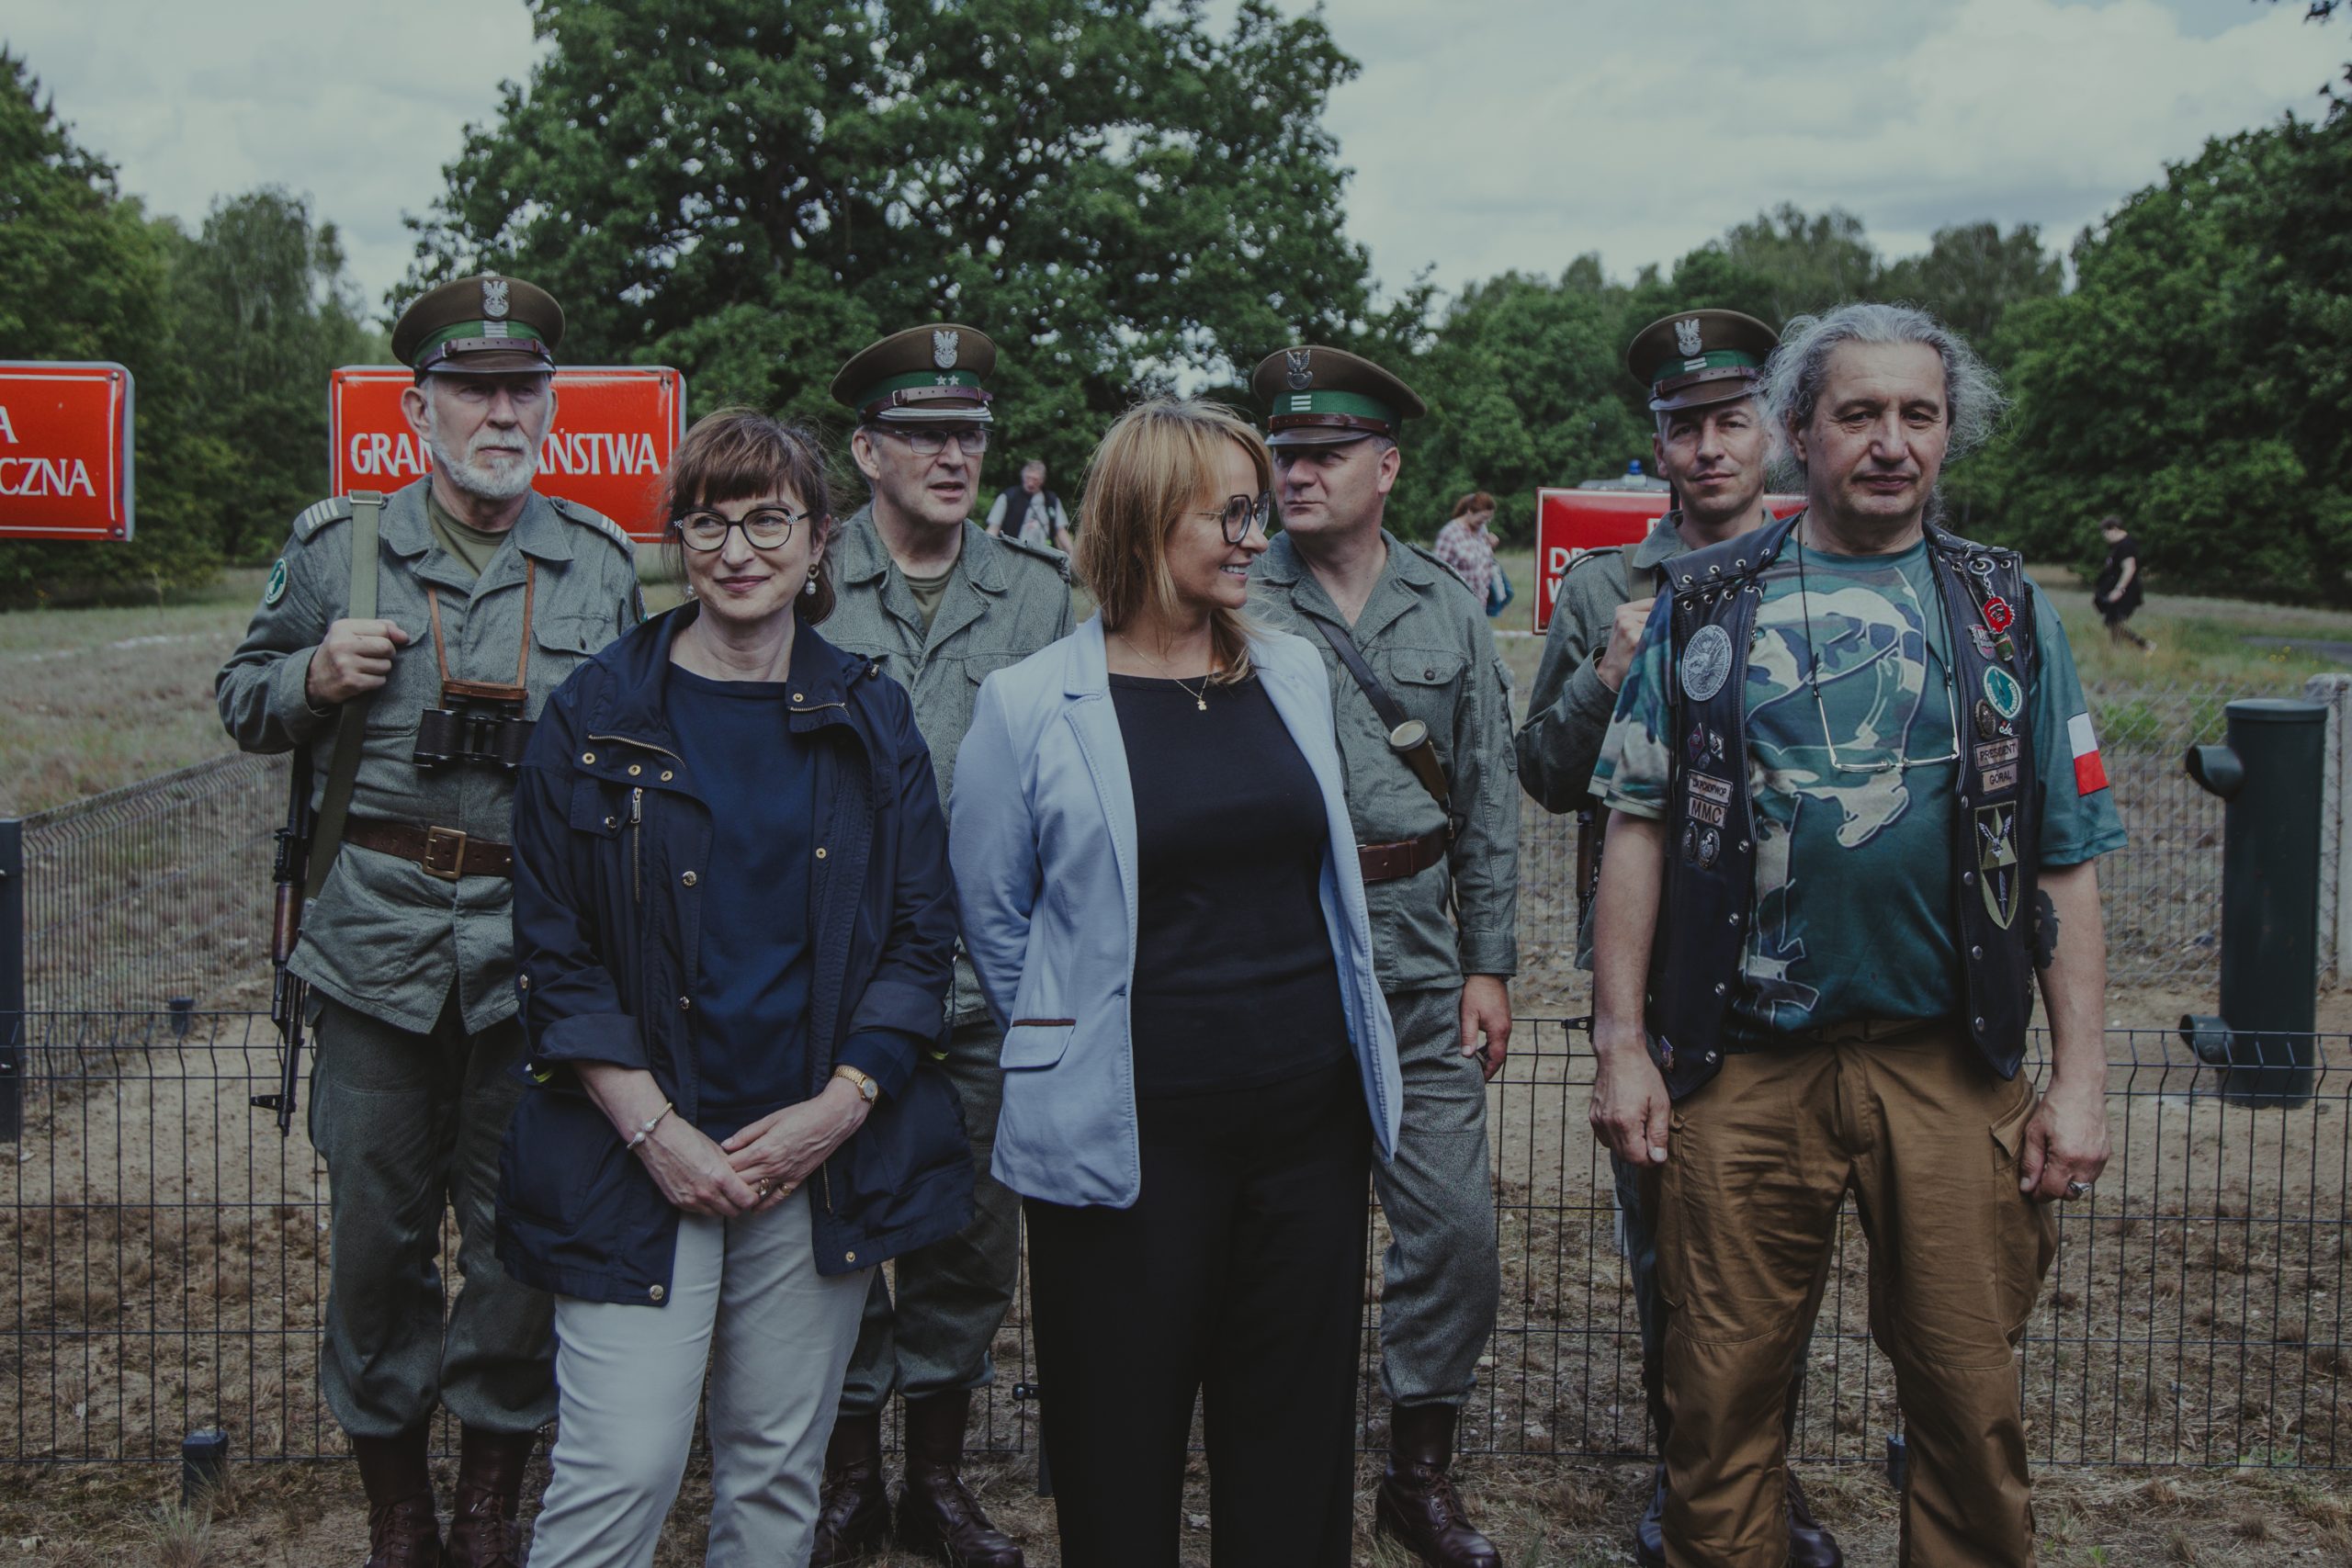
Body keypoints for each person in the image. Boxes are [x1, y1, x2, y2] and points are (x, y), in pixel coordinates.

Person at [1588, 302, 2124, 1568]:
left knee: (1967, 1409)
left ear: (1948, 432)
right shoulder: (1708, 602)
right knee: (1717, 1413)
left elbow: (2065, 855)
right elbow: (1636, 829)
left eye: (1918, 415)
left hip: (1949, 1062)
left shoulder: (2004, 610)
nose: (1891, 442)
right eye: (1860, 413)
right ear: (1800, 428)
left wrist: (2082, 1077)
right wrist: (1622, 1044)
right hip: (1740, 1065)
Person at [214, 275, 643, 1568]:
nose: (500, 413)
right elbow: (241, 697)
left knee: (518, 1240)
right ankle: (398, 1508)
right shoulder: (339, 549)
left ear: (550, 407)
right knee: (375, 1243)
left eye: (523, 390)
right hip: (375, 949)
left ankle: (491, 1503)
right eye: (472, 390)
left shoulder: (598, 560)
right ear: (418, 409)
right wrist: (310, 675)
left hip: (537, 953)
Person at [502, 408, 975, 1566]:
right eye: (708, 523)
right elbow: (553, 950)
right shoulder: (593, 715)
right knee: (621, 1465)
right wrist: (652, 1129)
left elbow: (922, 941)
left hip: (806, 1155)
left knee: (773, 1475)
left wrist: (839, 1108)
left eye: (769, 520)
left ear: (818, 541)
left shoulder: (872, 717)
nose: (737, 550)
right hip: (633, 1149)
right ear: (678, 541)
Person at [948, 398, 1402, 1568]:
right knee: (1117, 1440)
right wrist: (1082, 1041)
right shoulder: (1029, 704)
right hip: (1129, 1140)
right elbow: (996, 919)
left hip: (1306, 1128)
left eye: (1259, 512)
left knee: (1293, 1441)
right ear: (1148, 520)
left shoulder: (1291, 671)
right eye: (1231, 514)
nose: (1259, 537)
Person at [1515, 310, 1842, 1568]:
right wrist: (1606, 672)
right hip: (1658, 969)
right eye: (1682, 426)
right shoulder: (1606, 586)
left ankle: (1760, 1467)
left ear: (1773, 432)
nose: (1707, 448)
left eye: (1728, 421)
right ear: (1653, 444)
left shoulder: (1822, 565)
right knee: (1671, 1244)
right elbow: (1546, 773)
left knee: (1783, 1237)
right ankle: (1691, 1469)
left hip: (1802, 957)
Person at [1247, 345, 1518, 1568]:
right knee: (1277, 1238)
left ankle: (1418, 1474)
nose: (1296, 473)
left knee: (1455, 1231)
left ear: (1388, 468)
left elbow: (1490, 799)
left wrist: (1489, 962)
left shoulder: (1447, 606)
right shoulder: (1235, 593)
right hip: (1278, 959)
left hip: (1415, 966)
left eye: (1324, 454)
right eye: (1284, 453)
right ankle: (1276, 1467)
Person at [812, 324, 1074, 1568]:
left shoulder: (1038, 592)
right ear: (868, 452)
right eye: (923, 434)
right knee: (837, 1229)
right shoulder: (810, 573)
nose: (953, 455)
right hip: (836, 974)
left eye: (968, 432)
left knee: (970, 1237)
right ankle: (847, 1478)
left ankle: (935, 1479)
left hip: (984, 974)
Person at [1430, 491, 1500, 614]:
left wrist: (1491, 545)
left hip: (1479, 604)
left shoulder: (1481, 529)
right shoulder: (1449, 533)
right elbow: (1436, 571)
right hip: (1456, 605)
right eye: (1483, 518)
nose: (1485, 523)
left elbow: (1481, 560)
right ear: (1470, 511)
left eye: (1488, 519)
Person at [984, 459, 1073, 553]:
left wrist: (1071, 552)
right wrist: (985, 548)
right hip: (1013, 553)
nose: (1031, 483)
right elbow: (994, 527)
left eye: (1035, 480)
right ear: (1023, 477)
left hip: (1044, 554)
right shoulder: (1008, 497)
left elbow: (1061, 531)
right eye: (1028, 478)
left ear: (1042, 481)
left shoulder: (1051, 500)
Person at [2093, 514, 2153, 650]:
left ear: (2114, 529)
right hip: (2118, 590)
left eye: (2105, 533)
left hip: (2126, 591)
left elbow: (2129, 568)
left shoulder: (2126, 545)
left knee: (2115, 622)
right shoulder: (2118, 546)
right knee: (2112, 622)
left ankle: (2145, 645)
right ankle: (2116, 651)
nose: (2105, 537)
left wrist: (2119, 590)